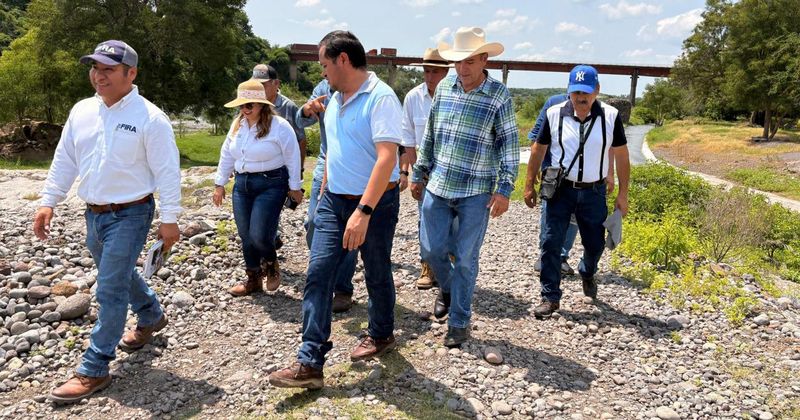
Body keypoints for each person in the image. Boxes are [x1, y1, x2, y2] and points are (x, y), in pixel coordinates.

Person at [33, 40, 181, 403]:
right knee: (119, 275)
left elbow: (168, 172)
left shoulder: (150, 118)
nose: (99, 75)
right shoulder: (82, 111)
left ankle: (94, 368)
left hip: (132, 212)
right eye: (95, 68)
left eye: (108, 69)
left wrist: (170, 219)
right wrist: (48, 200)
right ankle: (150, 315)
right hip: (93, 214)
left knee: (109, 288)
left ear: (131, 73)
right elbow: (65, 158)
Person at [269, 30, 402, 389]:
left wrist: (364, 211)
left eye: (325, 64)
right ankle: (310, 361)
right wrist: (328, 173)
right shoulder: (330, 95)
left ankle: (381, 333)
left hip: (374, 204)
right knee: (318, 273)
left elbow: (387, 157)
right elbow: (325, 135)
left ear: (343, 60)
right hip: (333, 199)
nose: (322, 72)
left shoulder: (382, 98)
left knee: (375, 271)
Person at [412, 27, 519, 347]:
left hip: (476, 190)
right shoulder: (445, 88)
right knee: (431, 249)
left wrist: (504, 189)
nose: (463, 68)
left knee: (466, 258)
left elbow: (509, 145)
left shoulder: (498, 95)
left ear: (484, 59)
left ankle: (459, 321)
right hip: (439, 184)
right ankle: (447, 287)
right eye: (458, 62)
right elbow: (430, 135)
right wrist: (419, 172)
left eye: (470, 61)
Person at [524, 65, 630, 319]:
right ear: (569, 92)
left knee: (594, 243)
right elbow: (538, 149)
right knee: (551, 242)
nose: (581, 98)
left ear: (597, 91)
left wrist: (623, 193)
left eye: (586, 92)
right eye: (576, 92)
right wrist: (529, 184)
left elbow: (623, 156)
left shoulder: (611, 116)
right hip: (561, 190)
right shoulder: (553, 114)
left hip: (593, 192)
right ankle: (549, 297)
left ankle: (587, 270)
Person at [213, 79, 303, 296]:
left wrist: (295, 187)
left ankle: (271, 263)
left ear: (261, 104)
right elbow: (227, 154)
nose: (244, 110)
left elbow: (292, 156)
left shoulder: (280, 126)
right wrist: (219, 183)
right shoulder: (238, 125)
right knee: (246, 235)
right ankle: (253, 278)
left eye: (249, 105)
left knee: (260, 234)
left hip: (271, 183)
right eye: (241, 106)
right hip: (242, 184)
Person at [528, 94, 617, 275]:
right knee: (551, 218)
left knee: (575, 219)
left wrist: (609, 172)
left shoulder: (604, 111)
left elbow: (610, 145)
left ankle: (562, 256)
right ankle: (547, 259)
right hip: (554, 175)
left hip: (586, 180)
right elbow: (536, 137)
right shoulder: (554, 104)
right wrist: (534, 168)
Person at [295, 79, 357, 313]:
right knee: (313, 222)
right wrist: (307, 109)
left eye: (326, 64)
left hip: (353, 163)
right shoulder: (323, 88)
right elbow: (300, 120)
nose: (324, 71)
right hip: (325, 159)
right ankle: (325, 271)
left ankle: (342, 289)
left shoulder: (364, 89)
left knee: (349, 229)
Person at [401, 47, 451, 289]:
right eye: (426, 71)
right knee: (425, 219)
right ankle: (427, 264)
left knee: (453, 220)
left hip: (451, 172)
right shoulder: (413, 98)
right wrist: (415, 175)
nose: (429, 76)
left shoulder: (455, 95)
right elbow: (408, 140)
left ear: (445, 72)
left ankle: (448, 264)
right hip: (426, 172)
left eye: (435, 72)